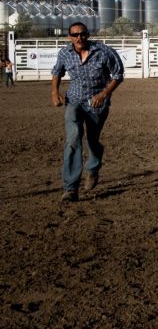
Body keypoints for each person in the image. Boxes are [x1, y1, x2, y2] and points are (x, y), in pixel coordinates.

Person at [50, 22, 124, 202]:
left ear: (88, 35)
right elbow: (57, 72)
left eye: (82, 34)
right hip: (74, 100)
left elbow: (118, 74)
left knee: (92, 140)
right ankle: (70, 188)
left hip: (97, 103)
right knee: (73, 139)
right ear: (69, 36)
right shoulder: (64, 53)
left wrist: (104, 94)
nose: (79, 38)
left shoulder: (104, 51)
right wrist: (54, 92)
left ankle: (93, 167)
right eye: (75, 35)